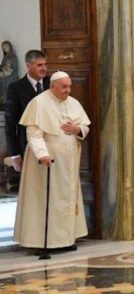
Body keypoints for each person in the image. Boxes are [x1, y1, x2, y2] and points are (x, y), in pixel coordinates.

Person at [13, 71, 90, 250]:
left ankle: (67, 240)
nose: (68, 90)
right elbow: (34, 134)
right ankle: (42, 242)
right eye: (64, 87)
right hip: (46, 163)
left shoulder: (73, 103)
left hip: (68, 164)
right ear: (53, 86)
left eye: (69, 86)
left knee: (66, 200)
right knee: (46, 201)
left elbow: (85, 127)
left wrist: (78, 129)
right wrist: (42, 155)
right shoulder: (39, 103)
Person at [6, 50, 48, 173]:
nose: (44, 68)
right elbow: (10, 123)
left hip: (52, 144)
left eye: (45, 64)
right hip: (27, 145)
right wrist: (14, 154)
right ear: (28, 66)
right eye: (39, 65)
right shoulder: (16, 88)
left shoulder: (52, 83)